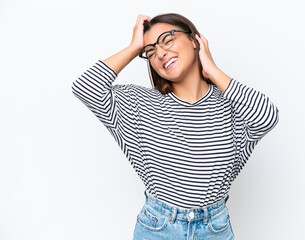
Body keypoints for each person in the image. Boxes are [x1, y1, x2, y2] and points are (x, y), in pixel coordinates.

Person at [71, 13, 279, 240]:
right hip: (158, 229)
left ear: (194, 40)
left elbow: (267, 117)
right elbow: (85, 87)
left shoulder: (233, 106)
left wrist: (211, 70)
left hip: (215, 230)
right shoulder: (138, 105)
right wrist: (134, 47)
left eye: (167, 40)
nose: (159, 53)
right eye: (150, 51)